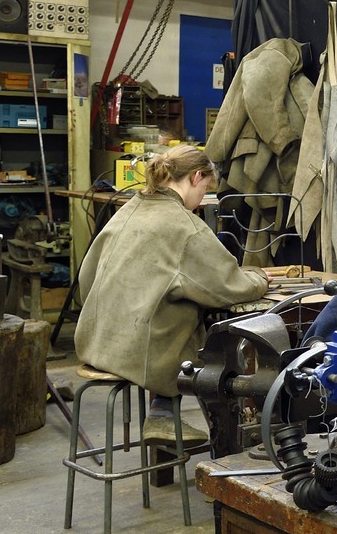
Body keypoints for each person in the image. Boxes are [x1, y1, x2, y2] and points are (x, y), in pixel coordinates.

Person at [75, 146, 270, 444]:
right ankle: (206, 431)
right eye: (204, 188)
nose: (202, 198)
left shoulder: (128, 210)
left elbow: (86, 277)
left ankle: (163, 411)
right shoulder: (184, 226)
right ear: (195, 177)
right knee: (195, 315)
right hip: (136, 354)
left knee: (170, 297)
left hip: (93, 341)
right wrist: (258, 277)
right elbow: (227, 286)